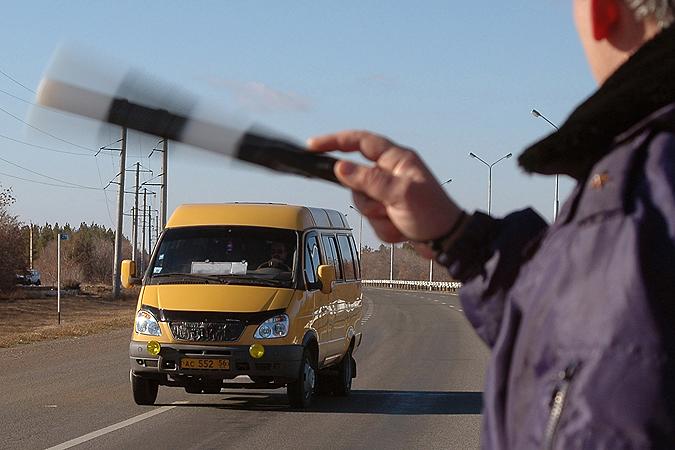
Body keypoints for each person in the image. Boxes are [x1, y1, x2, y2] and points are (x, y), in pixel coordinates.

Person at [308, 0, 675, 447]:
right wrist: (458, 238)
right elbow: (576, 335)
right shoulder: (639, 182)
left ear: (603, 12)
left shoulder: (646, 187)